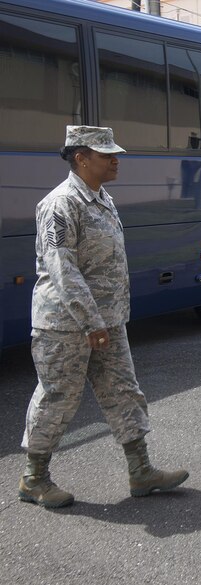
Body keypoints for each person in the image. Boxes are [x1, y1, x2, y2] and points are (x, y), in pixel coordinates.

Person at [18, 126, 189, 509]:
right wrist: (90, 321)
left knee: (124, 391)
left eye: (115, 153)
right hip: (66, 324)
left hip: (107, 321)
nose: (116, 160)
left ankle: (140, 470)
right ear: (81, 157)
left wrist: (106, 320)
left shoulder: (101, 199)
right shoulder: (60, 204)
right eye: (106, 154)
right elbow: (63, 269)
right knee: (58, 397)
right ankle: (34, 479)